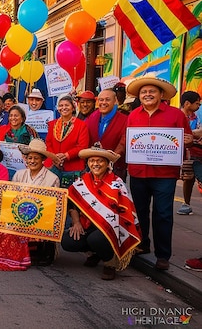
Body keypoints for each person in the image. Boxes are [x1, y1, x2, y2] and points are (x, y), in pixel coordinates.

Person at [117, 74, 192, 271]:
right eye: (144, 92)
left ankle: (163, 255)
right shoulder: (133, 115)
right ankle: (142, 244)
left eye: (152, 91)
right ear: (139, 96)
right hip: (138, 172)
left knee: (163, 213)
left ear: (161, 95)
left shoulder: (176, 115)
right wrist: (115, 154)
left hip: (165, 174)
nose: (147, 94)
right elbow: (127, 140)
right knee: (139, 211)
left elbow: (187, 138)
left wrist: (188, 142)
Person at [61, 145, 141, 280]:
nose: (96, 164)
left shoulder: (117, 183)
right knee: (68, 241)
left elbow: (125, 212)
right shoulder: (82, 181)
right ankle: (94, 253)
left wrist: (104, 225)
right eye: (92, 160)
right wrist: (76, 222)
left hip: (110, 228)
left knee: (96, 238)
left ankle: (110, 263)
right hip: (86, 225)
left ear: (107, 163)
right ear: (88, 163)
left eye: (100, 161)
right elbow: (72, 204)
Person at [0, 139, 59, 271]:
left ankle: (32, 254)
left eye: (36, 158)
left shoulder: (52, 178)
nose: (32, 161)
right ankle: (4, 256)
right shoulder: (19, 174)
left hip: (40, 219)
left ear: (43, 159)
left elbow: (53, 207)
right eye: (29, 158)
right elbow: (11, 199)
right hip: (19, 216)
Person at [44, 94, 90, 188]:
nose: (63, 108)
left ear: (73, 108)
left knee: (71, 197)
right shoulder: (52, 124)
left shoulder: (81, 125)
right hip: (53, 165)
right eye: (61, 105)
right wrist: (55, 158)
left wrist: (66, 155)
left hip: (73, 166)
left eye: (66, 105)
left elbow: (82, 146)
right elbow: (48, 143)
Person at [85, 89, 128, 180]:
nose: (103, 102)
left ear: (115, 101)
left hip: (115, 167)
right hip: (94, 166)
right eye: (101, 100)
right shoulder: (92, 117)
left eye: (107, 99)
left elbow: (124, 140)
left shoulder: (125, 119)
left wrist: (114, 155)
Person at [179, 90, 202, 215]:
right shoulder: (178, 116)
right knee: (188, 178)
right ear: (187, 103)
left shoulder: (196, 117)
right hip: (187, 152)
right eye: (197, 103)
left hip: (197, 151)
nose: (198, 106)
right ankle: (186, 203)